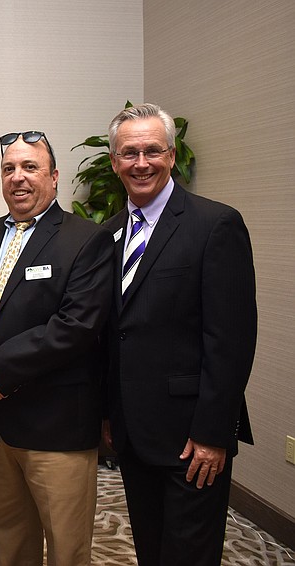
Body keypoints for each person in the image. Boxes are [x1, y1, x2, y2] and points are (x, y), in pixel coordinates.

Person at [101, 103, 257, 565]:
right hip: (134, 432)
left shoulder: (215, 224)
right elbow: (115, 333)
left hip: (192, 437)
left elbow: (231, 340)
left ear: (171, 155)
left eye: (152, 150)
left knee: (189, 554)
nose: (141, 162)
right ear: (114, 162)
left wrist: (213, 432)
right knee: (151, 549)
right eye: (130, 152)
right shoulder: (108, 234)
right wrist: (111, 413)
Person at [0, 131, 113, 565]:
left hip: (58, 427)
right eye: (9, 169)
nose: (18, 178)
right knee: (9, 542)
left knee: (66, 549)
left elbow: (75, 326)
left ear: (53, 177)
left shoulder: (87, 238)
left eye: (30, 167)